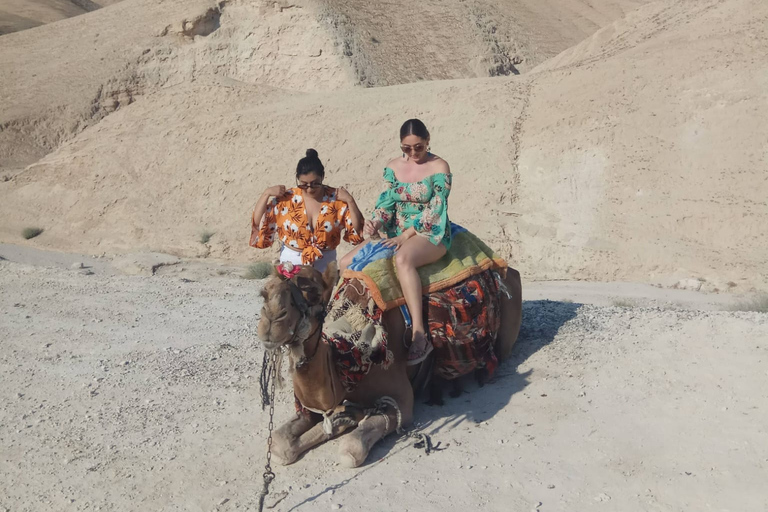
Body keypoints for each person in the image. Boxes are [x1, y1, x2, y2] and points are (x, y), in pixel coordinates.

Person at [339, 119, 451, 360]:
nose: (412, 153)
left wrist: (406, 235)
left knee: (403, 260)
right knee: (345, 263)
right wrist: (375, 222)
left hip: (429, 232)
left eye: (418, 147)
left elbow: (436, 208)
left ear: (428, 140)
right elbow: (386, 205)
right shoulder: (392, 167)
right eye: (406, 148)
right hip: (394, 233)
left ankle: (419, 334)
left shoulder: (439, 166)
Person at [250, 149, 364, 272]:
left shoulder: (336, 199)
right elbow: (258, 223)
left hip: (325, 263)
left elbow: (356, 230)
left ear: (323, 177)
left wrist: (350, 200)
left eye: (315, 184)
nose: (309, 189)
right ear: (297, 178)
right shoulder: (286, 199)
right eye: (304, 184)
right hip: (292, 263)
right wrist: (266, 194)